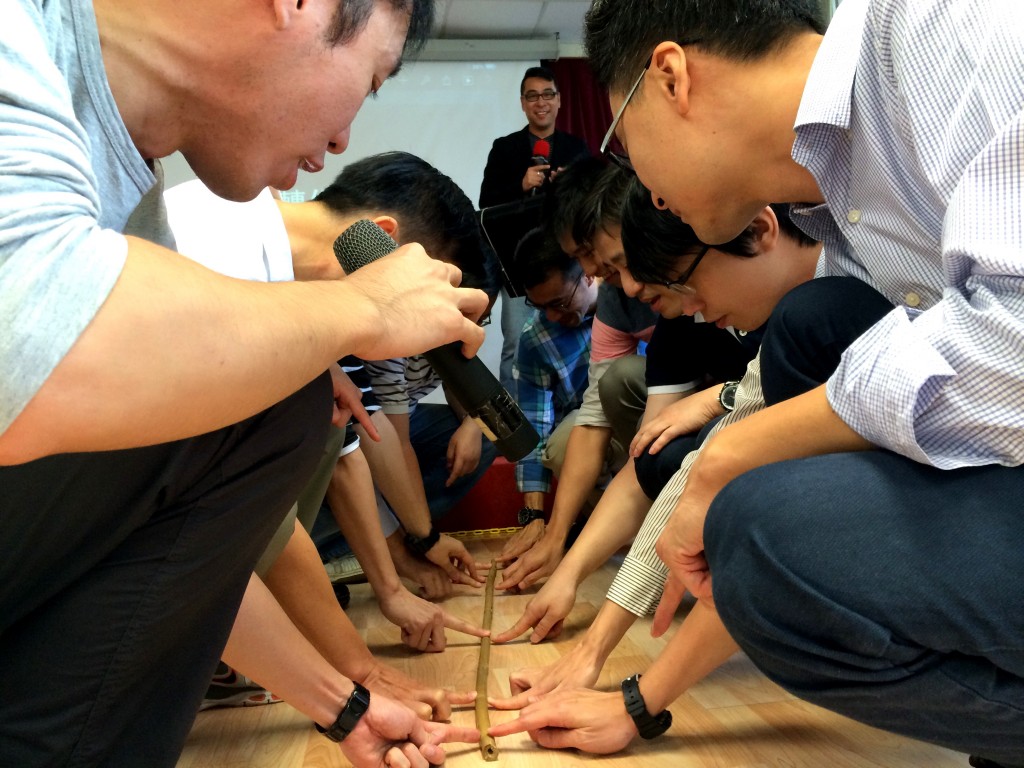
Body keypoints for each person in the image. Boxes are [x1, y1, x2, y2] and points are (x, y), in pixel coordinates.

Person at [497, 0, 1024, 765]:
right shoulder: (844, 216)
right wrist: (617, 668)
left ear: (671, 77)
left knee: (759, 530)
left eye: (626, 144)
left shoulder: (946, 32)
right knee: (751, 526)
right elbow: (728, 445)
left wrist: (736, 451)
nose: (649, 192)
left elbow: (1012, 340)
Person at [0, 1, 486, 766]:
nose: (342, 139)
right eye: (371, 81)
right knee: (278, 395)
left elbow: (180, 558)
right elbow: (32, 344)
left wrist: (346, 707)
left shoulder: (138, 206)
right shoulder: (16, 38)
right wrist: (360, 309)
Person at [490, 194, 822, 714]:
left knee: (745, 502)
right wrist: (587, 624)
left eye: (626, 265)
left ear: (758, 230)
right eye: (610, 271)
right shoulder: (763, 320)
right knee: (673, 456)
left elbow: (729, 451)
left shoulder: (829, 303)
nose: (629, 287)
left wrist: (636, 704)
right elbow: (680, 462)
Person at [479, 65, 591, 394]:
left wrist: (566, 186)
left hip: (567, 263)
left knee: (575, 333)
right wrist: (521, 185)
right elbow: (486, 207)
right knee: (516, 342)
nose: (540, 102)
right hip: (519, 266)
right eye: (532, 96)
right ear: (523, 103)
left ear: (559, 100)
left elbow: (589, 201)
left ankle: (569, 405)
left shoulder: (575, 147)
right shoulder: (504, 148)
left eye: (547, 95)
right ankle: (513, 420)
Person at [510, 228, 598, 528]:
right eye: (539, 306)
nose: (551, 317)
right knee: (562, 445)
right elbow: (534, 426)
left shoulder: (633, 297)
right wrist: (534, 516)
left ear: (588, 274)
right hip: (590, 430)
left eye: (559, 303)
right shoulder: (535, 339)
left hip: (647, 414)